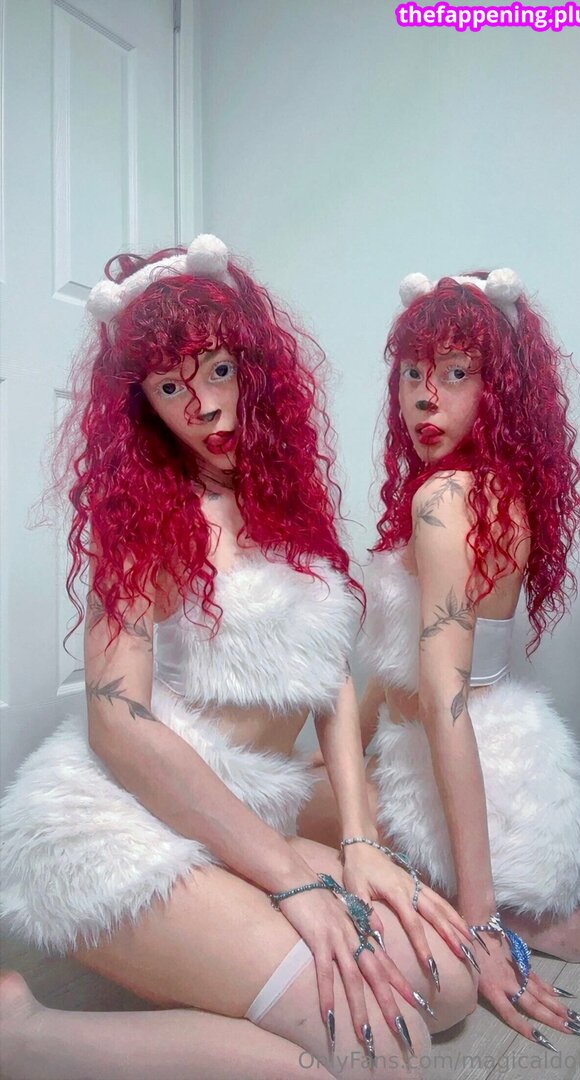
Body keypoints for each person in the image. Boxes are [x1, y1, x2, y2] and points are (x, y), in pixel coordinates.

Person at [0, 238, 477, 1079]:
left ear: (255, 366)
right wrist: (289, 877)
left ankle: (226, 959)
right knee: (382, 1052)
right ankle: (23, 1032)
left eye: (219, 371)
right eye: (170, 387)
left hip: (244, 817)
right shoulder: (142, 516)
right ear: (141, 402)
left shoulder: (286, 503)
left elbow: (329, 677)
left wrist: (359, 840)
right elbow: (117, 723)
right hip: (121, 825)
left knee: (450, 991)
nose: (205, 406)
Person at [300, 268, 580, 1048]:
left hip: (454, 786)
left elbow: (442, 701)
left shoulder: (442, 502)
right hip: (520, 772)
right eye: (412, 375)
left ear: (498, 388)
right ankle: (541, 913)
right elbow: (399, 661)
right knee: (310, 780)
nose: (425, 398)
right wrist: (341, 749)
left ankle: (499, 912)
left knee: (269, 809)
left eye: (456, 373)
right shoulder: (499, 491)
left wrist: (480, 920)